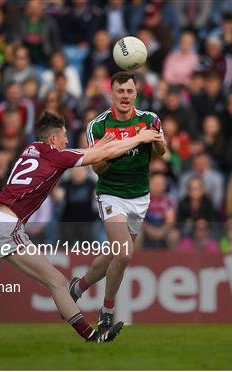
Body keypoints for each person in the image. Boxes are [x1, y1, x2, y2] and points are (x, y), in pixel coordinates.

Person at [0, 111, 163, 343]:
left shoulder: (31, 149)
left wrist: (105, 145)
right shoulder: (57, 155)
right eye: (63, 138)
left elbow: (93, 152)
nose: (66, 143)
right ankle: (92, 336)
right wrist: (140, 138)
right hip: (6, 226)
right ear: (52, 140)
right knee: (58, 282)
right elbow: (100, 156)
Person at [70, 71, 167, 333]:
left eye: (129, 91)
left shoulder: (150, 119)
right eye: (120, 91)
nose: (125, 96)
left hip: (140, 197)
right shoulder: (98, 126)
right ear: (111, 93)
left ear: (136, 94)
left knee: (115, 254)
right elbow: (97, 168)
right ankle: (107, 310)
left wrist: (155, 138)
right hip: (111, 194)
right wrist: (113, 147)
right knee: (124, 253)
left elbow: (162, 151)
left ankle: (78, 287)